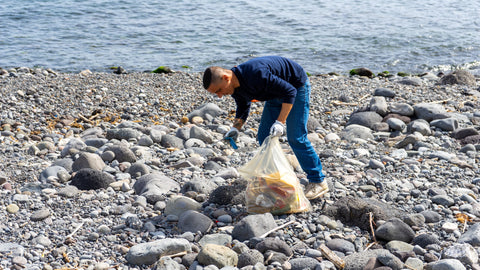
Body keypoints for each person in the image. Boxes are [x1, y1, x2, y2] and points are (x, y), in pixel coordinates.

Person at [202, 56, 328, 200]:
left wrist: (280, 122)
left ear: (226, 77)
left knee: (296, 137)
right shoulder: (233, 87)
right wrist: (236, 128)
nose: (219, 96)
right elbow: (243, 105)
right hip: (274, 93)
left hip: (296, 86)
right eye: (215, 93)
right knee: (264, 137)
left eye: (218, 90)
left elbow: (290, 91)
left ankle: (318, 181)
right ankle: (277, 180)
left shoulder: (256, 74)